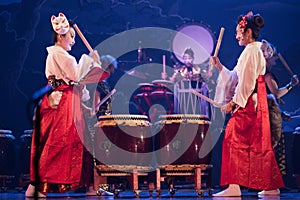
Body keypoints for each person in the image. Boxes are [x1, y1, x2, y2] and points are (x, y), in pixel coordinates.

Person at [25, 12, 108, 197]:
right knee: (59, 143)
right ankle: (39, 186)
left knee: (62, 142)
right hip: (64, 102)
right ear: (61, 36)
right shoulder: (61, 56)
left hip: (61, 99)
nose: (73, 41)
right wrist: (91, 60)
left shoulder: (56, 54)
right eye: (71, 37)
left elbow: (75, 81)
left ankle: (90, 186)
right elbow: (78, 77)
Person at [211, 11, 284, 197]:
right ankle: (270, 186)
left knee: (232, 136)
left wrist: (234, 103)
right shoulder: (251, 51)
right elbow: (236, 76)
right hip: (253, 100)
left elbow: (247, 82)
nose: (236, 36)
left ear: (248, 32)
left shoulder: (252, 51)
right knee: (259, 142)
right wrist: (219, 66)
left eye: (239, 32)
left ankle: (234, 187)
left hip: (249, 101)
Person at [261, 39, 299, 174]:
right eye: (274, 56)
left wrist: (282, 114)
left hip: (266, 114)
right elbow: (275, 94)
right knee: (275, 148)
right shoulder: (267, 75)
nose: (276, 59)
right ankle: (273, 181)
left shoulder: (263, 74)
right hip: (269, 118)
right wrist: (291, 85)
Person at [165, 48, 210, 116]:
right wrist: (166, 77)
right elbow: (172, 80)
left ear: (193, 58)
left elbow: (206, 80)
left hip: (197, 97)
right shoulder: (180, 70)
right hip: (183, 99)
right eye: (185, 58)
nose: (187, 60)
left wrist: (209, 75)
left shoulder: (199, 70)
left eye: (189, 58)